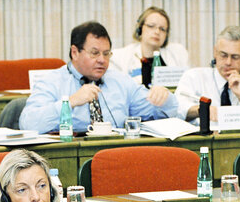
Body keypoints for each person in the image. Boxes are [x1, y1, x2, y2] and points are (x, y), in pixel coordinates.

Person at [19, 21, 179, 133]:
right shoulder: (51, 81)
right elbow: (28, 123)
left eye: (106, 53)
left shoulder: (119, 81)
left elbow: (163, 111)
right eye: (95, 53)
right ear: (75, 52)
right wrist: (70, 103)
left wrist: (164, 98)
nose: (102, 60)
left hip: (117, 155)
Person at [175, 25, 240, 121]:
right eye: (223, 55)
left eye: (235, 57)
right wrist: (202, 110)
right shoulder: (194, 77)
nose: (228, 62)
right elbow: (177, 110)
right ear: (215, 52)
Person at [109, 6, 189, 87]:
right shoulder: (121, 57)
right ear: (140, 29)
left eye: (162, 29)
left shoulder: (177, 54)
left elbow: (185, 87)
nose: (157, 32)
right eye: (151, 26)